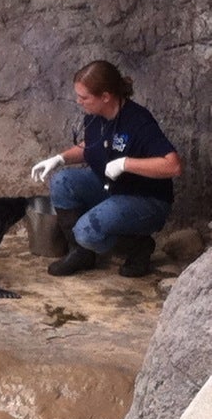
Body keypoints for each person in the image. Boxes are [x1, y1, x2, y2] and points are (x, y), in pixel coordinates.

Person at [30, 60, 182, 278]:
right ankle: (81, 252)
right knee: (61, 182)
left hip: (145, 199)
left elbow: (173, 165)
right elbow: (91, 146)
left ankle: (138, 246)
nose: (78, 101)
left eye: (84, 97)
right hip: (111, 187)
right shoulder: (95, 116)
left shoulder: (138, 121)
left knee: (86, 231)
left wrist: (126, 163)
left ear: (106, 96)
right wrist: (59, 158)